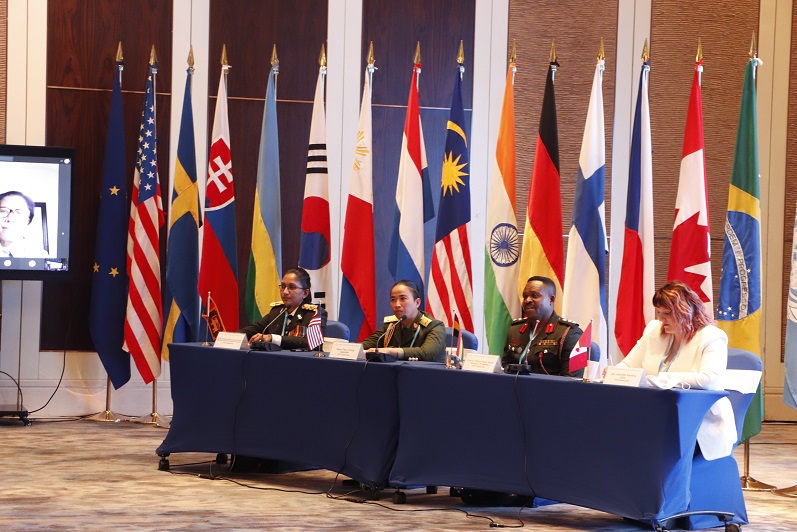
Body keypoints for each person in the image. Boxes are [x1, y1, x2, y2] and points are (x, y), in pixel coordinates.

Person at [615, 280, 736, 460]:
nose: (661, 319)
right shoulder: (654, 330)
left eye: (667, 313)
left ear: (686, 311)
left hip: (699, 421)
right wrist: (613, 374)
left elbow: (709, 380)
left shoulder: (711, 336)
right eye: (658, 312)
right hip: (657, 414)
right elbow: (627, 366)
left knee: (643, 442)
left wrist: (659, 379)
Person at [502, 275, 583, 377]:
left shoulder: (569, 333)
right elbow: (504, 369)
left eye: (535, 295)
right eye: (525, 296)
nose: (527, 300)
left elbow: (571, 381)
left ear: (551, 300)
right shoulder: (515, 329)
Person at [238, 267, 327, 350]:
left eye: (292, 287)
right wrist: (232, 337)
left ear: (305, 293)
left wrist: (272, 338)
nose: (285, 292)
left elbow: (313, 343)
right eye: (283, 286)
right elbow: (252, 329)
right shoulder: (277, 311)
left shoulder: (314, 314)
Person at [361, 280, 446, 362]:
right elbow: (367, 344)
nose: (397, 304)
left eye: (403, 298)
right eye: (393, 299)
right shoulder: (391, 325)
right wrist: (353, 348)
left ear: (417, 302)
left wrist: (391, 351)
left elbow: (426, 353)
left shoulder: (434, 326)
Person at [0, 190, 49, 258]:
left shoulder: (40, 256)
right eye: (3, 211)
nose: (10, 218)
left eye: (19, 212)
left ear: (28, 220)